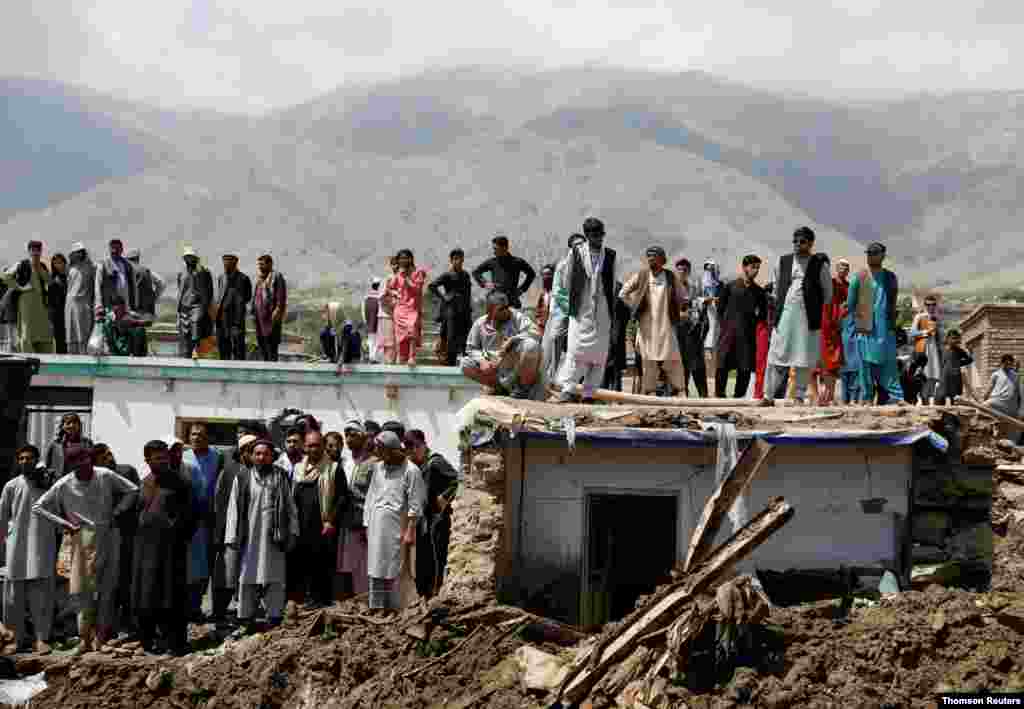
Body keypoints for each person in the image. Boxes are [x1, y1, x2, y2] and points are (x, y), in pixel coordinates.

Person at [32, 443, 139, 652]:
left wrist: (118, 512)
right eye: (76, 460)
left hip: (109, 534)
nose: (82, 463)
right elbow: (38, 507)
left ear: (90, 459)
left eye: (85, 458)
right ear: (70, 464)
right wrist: (63, 523)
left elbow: (132, 490)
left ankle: (101, 638)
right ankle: (85, 640)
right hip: (81, 538)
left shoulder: (105, 475)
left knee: (107, 591)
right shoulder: (64, 483)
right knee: (83, 594)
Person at [225, 439, 298, 634]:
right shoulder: (242, 477)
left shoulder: (280, 476)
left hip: (275, 537)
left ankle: (274, 618)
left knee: (275, 577)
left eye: (265, 454)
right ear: (251, 456)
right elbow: (233, 508)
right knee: (246, 577)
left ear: (272, 456)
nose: (261, 457)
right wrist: (231, 537)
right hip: (249, 537)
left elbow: (290, 507)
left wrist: (293, 531)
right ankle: (244, 620)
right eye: (257, 453)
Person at [132, 440, 194, 655]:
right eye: (158, 458)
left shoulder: (180, 482)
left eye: (165, 457)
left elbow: (190, 517)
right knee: (146, 595)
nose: (163, 461)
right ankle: (147, 641)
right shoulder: (144, 482)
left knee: (171, 595)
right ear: (147, 460)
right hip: (144, 549)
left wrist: (175, 532)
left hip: (170, 551)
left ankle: (174, 644)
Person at [764, 227, 833, 403]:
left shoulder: (820, 265)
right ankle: (768, 396)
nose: (797, 244)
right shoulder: (783, 262)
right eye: (795, 241)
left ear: (810, 243)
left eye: (802, 241)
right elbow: (778, 286)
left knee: (803, 357)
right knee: (776, 355)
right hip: (785, 315)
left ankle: (799, 396)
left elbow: (827, 294)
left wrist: (812, 304)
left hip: (807, 318)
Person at [0, 445, 58, 654]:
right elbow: (2, 518)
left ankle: (41, 639)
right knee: (14, 597)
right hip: (16, 547)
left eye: (30, 458)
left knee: (41, 595)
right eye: (22, 458)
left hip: (42, 545)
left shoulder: (48, 484)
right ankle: (15, 639)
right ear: (18, 461)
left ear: (37, 460)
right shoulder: (11, 486)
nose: (25, 461)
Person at [555, 218, 618, 402]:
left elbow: (612, 283)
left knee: (599, 357)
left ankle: (589, 394)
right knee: (576, 351)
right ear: (588, 235)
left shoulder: (611, 255)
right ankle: (567, 390)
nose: (598, 238)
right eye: (594, 235)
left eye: (600, 235)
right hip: (581, 310)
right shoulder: (576, 253)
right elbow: (567, 280)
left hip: (602, 311)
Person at [364, 431, 424, 612]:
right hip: (376, 526)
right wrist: (367, 524)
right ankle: (376, 607)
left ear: (392, 450)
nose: (378, 455)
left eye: (381, 451)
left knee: (396, 569)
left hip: (398, 527)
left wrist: (410, 530)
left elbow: (416, 503)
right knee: (376, 567)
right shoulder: (378, 468)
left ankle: (397, 610)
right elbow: (371, 497)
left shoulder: (411, 471)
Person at [288, 431, 347, 609]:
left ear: (322, 446)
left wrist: (331, 520)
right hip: (300, 525)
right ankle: (301, 602)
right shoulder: (298, 468)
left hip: (323, 525)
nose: (313, 449)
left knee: (321, 565)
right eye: (309, 445)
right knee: (300, 564)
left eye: (316, 445)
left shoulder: (334, 468)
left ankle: (321, 602)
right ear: (304, 447)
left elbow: (342, 497)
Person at [620, 246, 686, 397]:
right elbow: (623, 293)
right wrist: (635, 306)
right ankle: (648, 393)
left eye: (654, 256)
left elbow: (683, 296)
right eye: (648, 256)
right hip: (646, 327)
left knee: (672, 358)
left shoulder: (670, 277)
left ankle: (680, 390)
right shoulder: (642, 275)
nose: (650, 258)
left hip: (666, 326)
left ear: (662, 260)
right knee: (648, 360)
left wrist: (677, 309)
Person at [92, 444, 140, 636]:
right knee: (105, 583)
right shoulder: (94, 477)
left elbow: (135, 495)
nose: (109, 458)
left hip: (126, 533)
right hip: (102, 536)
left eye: (109, 453)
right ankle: (106, 627)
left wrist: (117, 512)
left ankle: (128, 624)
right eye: (103, 456)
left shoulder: (126, 471)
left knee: (126, 579)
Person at [845, 243, 903, 405]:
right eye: (869, 253)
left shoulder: (890, 277)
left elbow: (892, 302)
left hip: (885, 327)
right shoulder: (859, 277)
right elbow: (850, 303)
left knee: (889, 361)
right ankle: (867, 397)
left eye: (875, 253)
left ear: (883, 255)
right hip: (865, 326)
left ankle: (896, 396)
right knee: (865, 364)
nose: (871, 256)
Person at [404, 430, 458, 599]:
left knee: (435, 562)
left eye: (415, 447)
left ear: (423, 445)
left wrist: (444, 498)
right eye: (409, 449)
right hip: (423, 523)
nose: (413, 452)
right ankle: (423, 597)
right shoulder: (417, 466)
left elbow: (456, 480)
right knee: (421, 564)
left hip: (436, 522)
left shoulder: (436, 462)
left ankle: (434, 597)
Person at [211, 432, 256, 625]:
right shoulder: (229, 472)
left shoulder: (262, 472)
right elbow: (219, 504)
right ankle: (219, 614)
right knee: (226, 576)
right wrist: (220, 535)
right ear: (244, 451)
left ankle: (245, 614)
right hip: (230, 534)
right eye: (251, 450)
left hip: (253, 534)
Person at [461, 292, 542, 398]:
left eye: (506, 307)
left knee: (531, 345)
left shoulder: (517, 317)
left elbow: (536, 333)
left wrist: (513, 340)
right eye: (500, 309)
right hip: (494, 368)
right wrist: (482, 361)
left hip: (514, 367)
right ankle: (499, 388)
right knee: (465, 364)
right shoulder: (480, 323)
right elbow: (471, 348)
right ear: (490, 311)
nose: (505, 311)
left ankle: (522, 388)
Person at [182, 422, 224, 622]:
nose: (196, 438)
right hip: (188, 519)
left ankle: (196, 606)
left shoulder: (217, 457)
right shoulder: (183, 457)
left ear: (208, 437)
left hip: (209, 520)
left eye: (200, 435)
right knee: (188, 565)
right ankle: (186, 607)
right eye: (193, 434)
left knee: (204, 566)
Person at [714, 255, 767, 398]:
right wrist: (725, 327)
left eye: (757, 268)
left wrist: (752, 325)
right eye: (753, 267)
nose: (755, 271)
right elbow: (720, 309)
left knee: (745, 369)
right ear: (744, 267)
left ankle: (738, 400)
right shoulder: (730, 287)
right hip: (728, 335)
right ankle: (719, 397)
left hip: (747, 337)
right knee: (722, 366)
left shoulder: (759, 292)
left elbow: (762, 315)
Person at [539, 235, 585, 397]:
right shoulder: (563, 265)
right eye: (576, 245)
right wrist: (572, 308)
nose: (580, 247)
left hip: (582, 315)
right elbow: (558, 292)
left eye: (582, 244)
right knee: (555, 342)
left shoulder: (589, 266)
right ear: (571, 248)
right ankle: (547, 385)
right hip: (563, 313)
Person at [337, 420, 375, 598]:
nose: (349, 439)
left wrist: (368, 524)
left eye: (354, 435)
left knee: (364, 569)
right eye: (347, 435)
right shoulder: (344, 462)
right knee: (348, 567)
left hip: (364, 524)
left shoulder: (373, 463)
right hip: (346, 523)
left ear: (364, 438)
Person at [1, 240, 53, 353]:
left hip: (40, 303)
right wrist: (20, 288)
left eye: (38, 250)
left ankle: (44, 355)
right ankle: (27, 355)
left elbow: (49, 281)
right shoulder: (22, 263)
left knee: (43, 330)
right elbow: (5, 276)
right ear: (29, 251)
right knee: (27, 330)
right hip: (26, 301)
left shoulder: (42, 265)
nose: (36, 252)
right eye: (33, 249)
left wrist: (40, 268)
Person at [429, 249, 473, 366]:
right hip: (451, 309)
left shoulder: (465, 274)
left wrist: (469, 307)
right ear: (451, 260)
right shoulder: (447, 275)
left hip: (464, 309)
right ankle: (450, 361)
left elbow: (468, 292)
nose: (458, 261)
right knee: (451, 336)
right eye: (455, 259)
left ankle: (466, 361)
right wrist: (443, 297)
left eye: (460, 258)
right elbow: (432, 286)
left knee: (466, 334)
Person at [816, 258, 850, 405]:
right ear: (836, 268)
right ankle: (818, 395)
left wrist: (842, 316)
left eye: (847, 267)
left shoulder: (848, 286)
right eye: (842, 266)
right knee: (821, 361)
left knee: (835, 361)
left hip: (838, 326)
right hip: (824, 324)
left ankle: (829, 395)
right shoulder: (829, 283)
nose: (844, 268)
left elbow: (849, 304)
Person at [471, 234, 537, 310]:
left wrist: (522, 289)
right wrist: (485, 283)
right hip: (496, 300)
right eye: (493, 249)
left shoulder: (517, 262)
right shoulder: (492, 262)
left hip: (511, 300)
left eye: (496, 249)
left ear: (504, 248)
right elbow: (476, 272)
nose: (494, 252)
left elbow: (531, 274)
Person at [674, 258, 709, 398]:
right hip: (677, 334)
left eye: (685, 269)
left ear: (688, 272)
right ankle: (682, 397)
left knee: (697, 365)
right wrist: (680, 313)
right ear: (676, 271)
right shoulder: (671, 288)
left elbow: (698, 306)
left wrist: (702, 303)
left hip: (693, 332)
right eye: (680, 269)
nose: (682, 272)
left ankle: (703, 397)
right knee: (682, 367)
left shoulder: (693, 287)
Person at [388, 249, 427, 366]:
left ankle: (411, 357)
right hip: (400, 308)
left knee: (412, 331)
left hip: (412, 307)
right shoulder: (398, 274)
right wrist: (394, 294)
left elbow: (417, 290)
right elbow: (390, 288)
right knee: (400, 336)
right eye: (401, 258)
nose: (403, 260)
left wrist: (407, 280)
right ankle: (402, 358)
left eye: (406, 258)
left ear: (411, 259)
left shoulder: (418, 272)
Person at [177, 247, 215, 359]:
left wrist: (206, 306)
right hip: (184, 306)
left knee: (196, 323)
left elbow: (209, 291)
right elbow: (180, 291)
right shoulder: (181, 273)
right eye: (186, 257)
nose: (188, 259)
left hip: (198, 305)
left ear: (195, 258)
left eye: (190, 257)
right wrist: (178, 311)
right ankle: (186, 354)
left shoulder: (204, 272)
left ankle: (195, 349)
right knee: (185, 332)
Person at [126, 248, 165, 355]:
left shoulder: (125, 271)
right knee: (141, 336)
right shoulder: (147, 270)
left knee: (131, 340)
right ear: (138, 258)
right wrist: (153, 299)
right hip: (145, 312)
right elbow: (161, 283)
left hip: (131, 312)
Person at [215, 253, 253, 361]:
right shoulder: (221, 278)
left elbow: (247, 297)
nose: (226, 265)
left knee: (238, 349)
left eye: (228, 263)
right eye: (224, 263)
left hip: (236, 319)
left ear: (235, 263)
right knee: (223, 348)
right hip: (222, 318)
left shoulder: (243, 278)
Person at [910, 294, 945, 405]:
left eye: (933, 305)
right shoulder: (919, 317)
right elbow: (912, 333)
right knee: (923, 376)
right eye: (928, 305)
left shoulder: (937, 319)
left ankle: (931, 401)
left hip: (934, 350)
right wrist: (925, 332)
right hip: (923, 349)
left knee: (934, 376)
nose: (931, 307)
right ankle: (923, 399)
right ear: (925, 305)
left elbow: (940, 338)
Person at [252, 254, 287, 362]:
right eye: (259, 265)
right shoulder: (260, 279)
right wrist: (253, 313)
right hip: (259, 319)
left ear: (270, 264)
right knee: (262, 347)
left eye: (262, 264)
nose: (260, 267)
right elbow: (256, 297)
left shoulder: (277, 277)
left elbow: (281, 298)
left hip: (271, 319)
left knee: (271, 348)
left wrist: (276, 312)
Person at [65, 244, 97, 355]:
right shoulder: (70, 268)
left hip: (84, 303)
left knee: (83, 335)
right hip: (70, 304)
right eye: (75, 252)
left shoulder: (91, 267)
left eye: (80, 251)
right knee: (71, 334)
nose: (77, 254)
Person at [602, 281, 633, 392]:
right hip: (609, 342)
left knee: (600, 374)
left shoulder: (615, 289)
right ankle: (590, 397)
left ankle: (590, 397)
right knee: (608, 374)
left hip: (610, 342)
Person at [95, 239, 137, 318]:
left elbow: (133, 287)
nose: (114, 251)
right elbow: (97, 286)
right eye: (112, 248)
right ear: (109, 249)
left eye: (117, 249)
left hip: (125, 306)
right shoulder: (103, 264)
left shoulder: (128, 265)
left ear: (121, 250)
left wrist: (134, 305)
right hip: (109, 307)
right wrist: (99, 305)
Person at [45, 413, 93, 480]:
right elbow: (48, 464)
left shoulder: (87, 443)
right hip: (60, 482)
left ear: (79, 425)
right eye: (68, 423)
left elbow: (92, 462)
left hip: (80, 482)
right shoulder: (55, 444)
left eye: (74, 423)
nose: (71, 425)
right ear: (62, 426)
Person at [933, 330, 974, 405]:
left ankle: (953, 416)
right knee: (940, 398)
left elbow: (969, 360)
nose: (955, 341)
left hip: (955, 378)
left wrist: (970, 353)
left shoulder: (959, 350)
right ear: (948, 338)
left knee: (955, 399)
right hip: (944, 377)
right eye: (953, 338)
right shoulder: (941, 349)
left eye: (956, 339)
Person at [378, 257, 400, 364]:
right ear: (390, 266)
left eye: (398, 264)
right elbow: (382, 298)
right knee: (389, 344)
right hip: (387, 315)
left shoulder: (403, 278)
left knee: (397, 344)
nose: (396, 266)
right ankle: (388, 368)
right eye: (394, 264)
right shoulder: (387, 279)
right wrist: (393, 306)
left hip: (399, 316)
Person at [49, 253, 69, 354]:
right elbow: (50, 300)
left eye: (60, 262)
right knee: (59, 341)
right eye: (56, 263)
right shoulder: (51, 279)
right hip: (57, 314)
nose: (58, 265)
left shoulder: (69, 276)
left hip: (69, 312)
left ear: (65, 263)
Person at [363, 278, 382, 363]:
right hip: (377, 323)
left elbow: (363, 311)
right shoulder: (379, 297)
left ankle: (372, 357)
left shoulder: (366, 297)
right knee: (377, 340)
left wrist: (365, 322)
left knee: (371, 340)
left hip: (369, 323)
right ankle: (374, 357)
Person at [535, 264, 556, 337]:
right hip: (543, 328)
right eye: (543, 275)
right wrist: (539, 322)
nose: (546, 277)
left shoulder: (557, 292)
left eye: (548, 274)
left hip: (554, 327)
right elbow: (538, 309)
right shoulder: (543, 294)